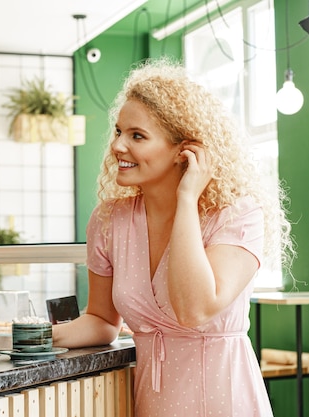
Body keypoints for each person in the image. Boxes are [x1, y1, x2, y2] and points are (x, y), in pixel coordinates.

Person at [52, 58, 294, 416]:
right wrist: (28, 336)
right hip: (154, 405)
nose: (118, 146)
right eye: (119, 131)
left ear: (185, 151)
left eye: (137, 135)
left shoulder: (236, 215)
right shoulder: (108, 221)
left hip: (224, 402)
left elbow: (194, 308)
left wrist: (186, 199)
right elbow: (102, 321)